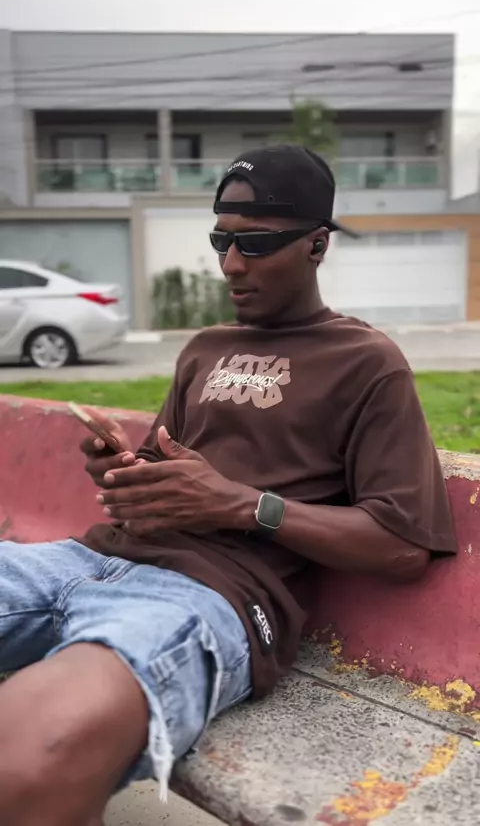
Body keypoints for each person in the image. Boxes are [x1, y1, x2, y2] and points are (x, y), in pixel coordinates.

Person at [0, 144, 456, 826]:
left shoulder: (366, 363)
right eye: (222, 240)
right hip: (94, 559)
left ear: (316, 245)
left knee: (31, 754)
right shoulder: (205, 349)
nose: (232, 264)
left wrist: (243, 506)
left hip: (213, 595)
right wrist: (123, 469)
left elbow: (401, 544)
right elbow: (163, 464)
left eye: (256, 243)